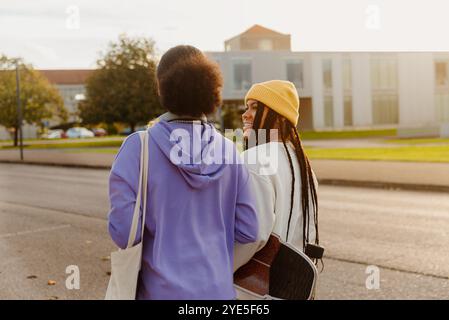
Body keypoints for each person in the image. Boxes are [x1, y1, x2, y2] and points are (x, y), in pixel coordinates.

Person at [108, 45, 259, 300]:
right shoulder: (229, 150)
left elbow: (124, 234)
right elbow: (249, 230)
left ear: (161, 87)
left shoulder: (138, 147)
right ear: (211, 89)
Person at [234, 80, 320, 273]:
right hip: (289, 284)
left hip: (252, 290)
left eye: (255, 108)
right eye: (247, 106)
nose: (245, 114)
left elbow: (251, 235)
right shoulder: (305, 168)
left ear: (280, 118)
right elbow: (309, 234)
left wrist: (220, 269)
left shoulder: (254, 159)